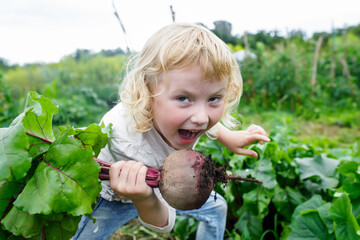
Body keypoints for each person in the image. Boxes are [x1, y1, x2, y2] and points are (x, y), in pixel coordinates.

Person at [71, 23, 270, 240]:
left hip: (172, 184)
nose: (202, 118)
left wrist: (228, 137)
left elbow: (203, 121)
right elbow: (162, 224)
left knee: (216, 207)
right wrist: (145, 200)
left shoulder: (184, 118)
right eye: (183, 98)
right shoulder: (129, 143)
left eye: (213, 98)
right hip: (112, 198)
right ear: (147, 94)